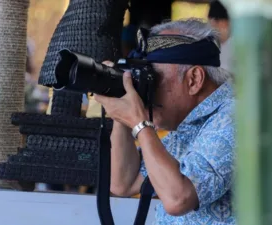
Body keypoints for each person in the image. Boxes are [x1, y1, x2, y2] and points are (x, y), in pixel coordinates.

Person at [94, 19, 235, 224]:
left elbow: (178, 199)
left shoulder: (233, 117)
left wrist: (139, 123)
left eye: (153, 79)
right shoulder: (190, 123)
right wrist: (122, 99)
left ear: (194, 80)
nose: (146, 91)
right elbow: (124, 183)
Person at [208, 0, 231, 72]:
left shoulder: (236, 46)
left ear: (223, 23)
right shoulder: (216, 46)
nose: (210, 28)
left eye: (212, 24)